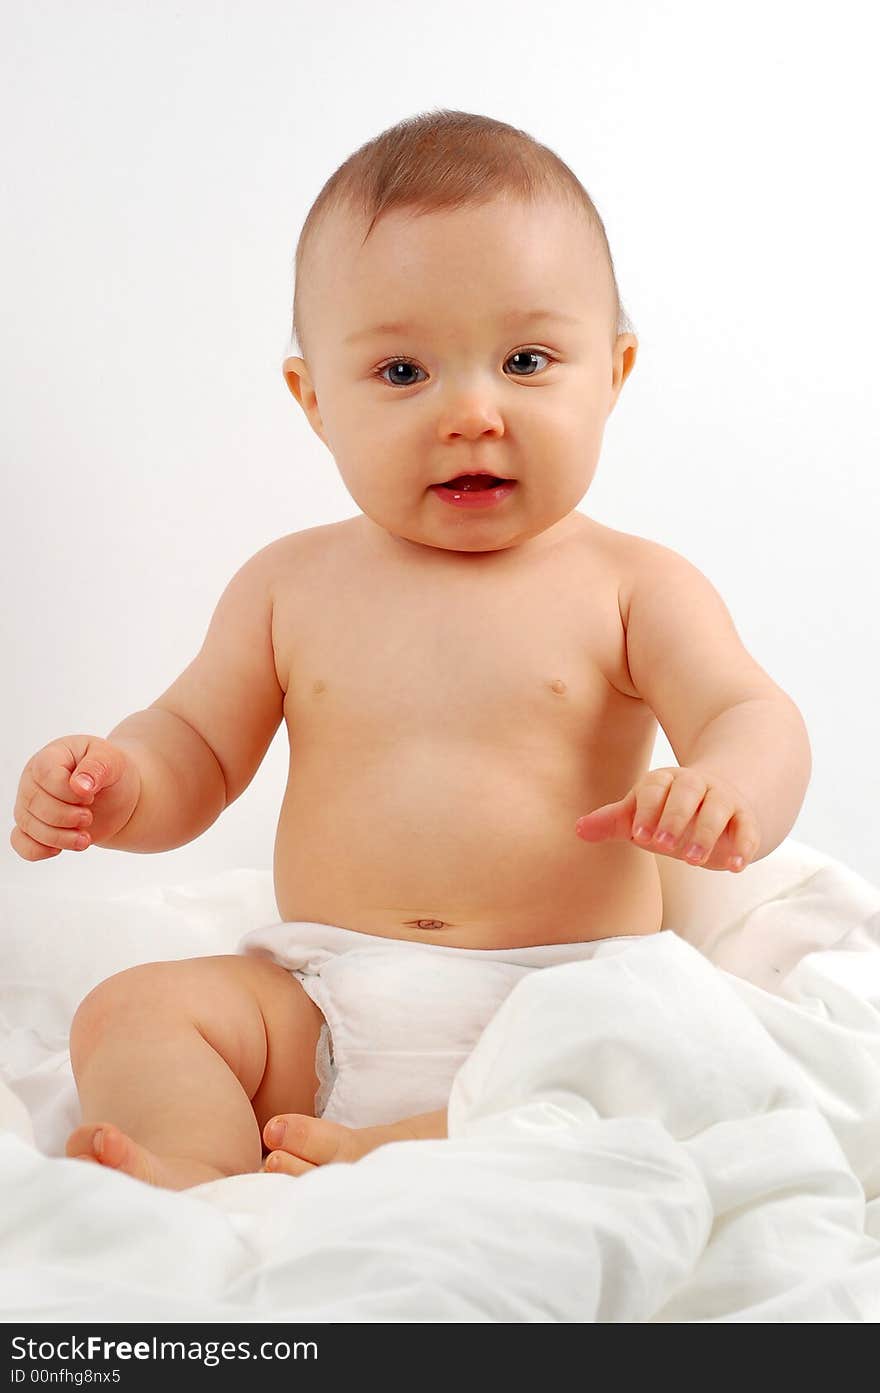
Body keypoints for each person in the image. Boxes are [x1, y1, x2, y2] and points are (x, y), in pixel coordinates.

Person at [10, 111, 812, 1190]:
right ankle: (198, 1184)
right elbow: (196, 744)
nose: (472, 412)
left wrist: (726, 787)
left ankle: (397, 1153)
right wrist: (122, 784)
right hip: (330, 994)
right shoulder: (288, 585)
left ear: (612, 373)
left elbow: (749, 714)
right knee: (134, 1009)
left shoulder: (632, 585)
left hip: (557, 994)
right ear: (314, 402)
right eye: (401, 372)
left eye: (526, 360)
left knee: (670, 1053)